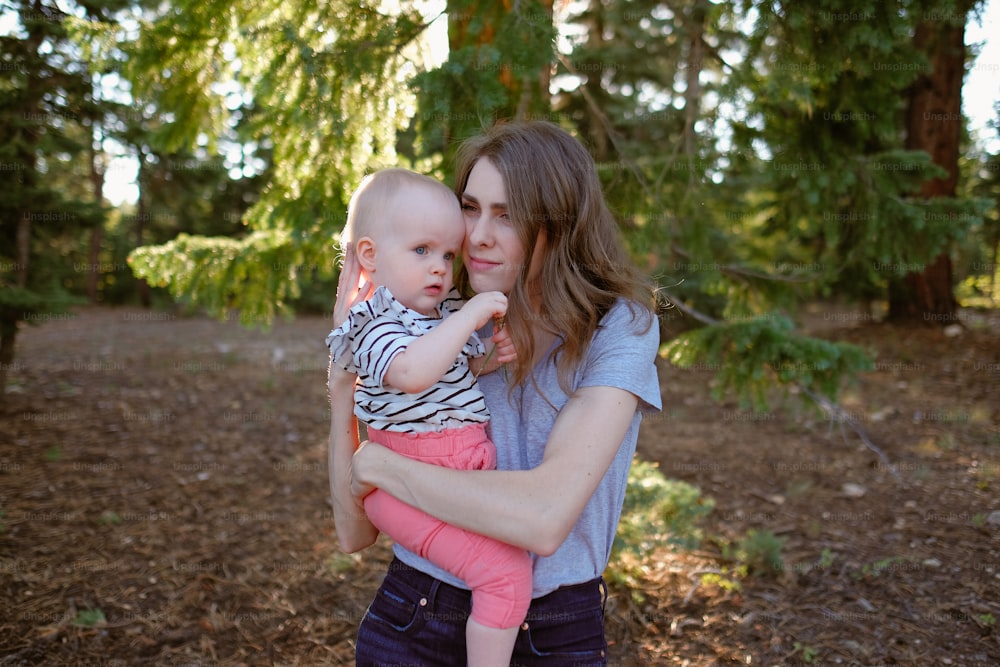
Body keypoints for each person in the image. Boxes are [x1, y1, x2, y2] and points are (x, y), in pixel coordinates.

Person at [327, 121, 662, 667]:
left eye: (507, 215)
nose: (478, 234)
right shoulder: (434, 318)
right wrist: (343, 388)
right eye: (471, 207)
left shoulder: (618, 328)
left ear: (559, 224)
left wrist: (384, 470)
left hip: (552, 633)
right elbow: (353, 530)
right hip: (414, 612)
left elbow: (543, 519)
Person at [326, 168, 531, 667]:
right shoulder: (372, 321)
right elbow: (412, 372)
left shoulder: (435, 314)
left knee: (509, 563)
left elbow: (449, 376)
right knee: (505, 577)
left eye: (446, 253)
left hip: (452, 473)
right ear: (370, 256)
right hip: (402, 488)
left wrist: (486, 357)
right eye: (421, 251)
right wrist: (469, 317)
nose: (440, 267)